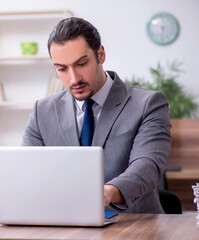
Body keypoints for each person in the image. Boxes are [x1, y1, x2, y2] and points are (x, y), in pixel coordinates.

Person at [22, 17, 172, 213]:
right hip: (65, 225)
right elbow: (29, 172)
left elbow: (147, 166)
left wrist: (109, 192)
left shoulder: (147, 104)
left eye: (82, 63)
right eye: (62, 69)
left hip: (135, 226)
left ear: (100, 55)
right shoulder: (42, 113)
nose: (74, 79)